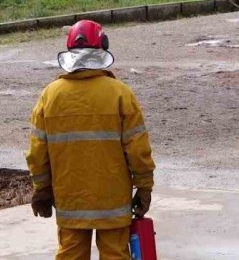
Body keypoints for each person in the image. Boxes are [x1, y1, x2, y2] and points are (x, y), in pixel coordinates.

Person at [26, 20, 155, 260]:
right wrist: (144, 186)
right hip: (112, 203)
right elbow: (138, 149)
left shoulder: (50, 96)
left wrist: (41, 189)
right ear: (103, 47)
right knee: (115, 255)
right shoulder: (120, 94)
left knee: (71, 255)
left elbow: (37, 152)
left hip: (70, 203)